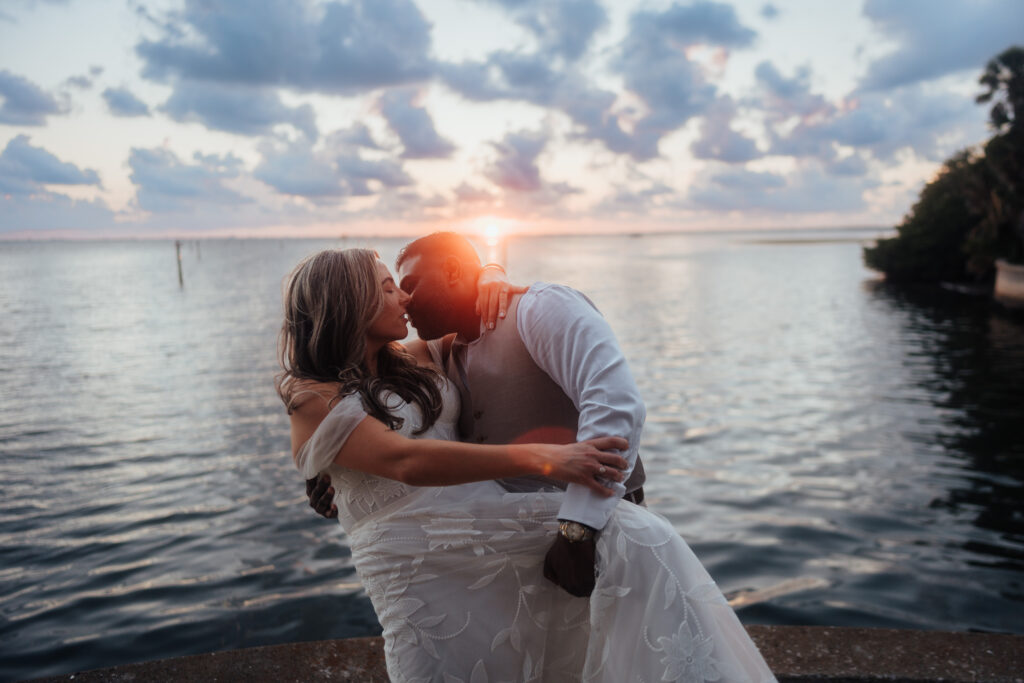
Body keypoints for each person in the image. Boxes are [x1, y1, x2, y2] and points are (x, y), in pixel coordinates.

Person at [283, 248, 776, 682]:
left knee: (635, 539)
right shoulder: (308, 395)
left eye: (405, 285)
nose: (405, 299)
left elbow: (466, 312)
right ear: (349, 302)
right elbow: (405, 459)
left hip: (486, 529)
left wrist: (490, 272)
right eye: (392, 288)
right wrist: (546, 458)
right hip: (414, 560)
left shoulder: (414, 359)